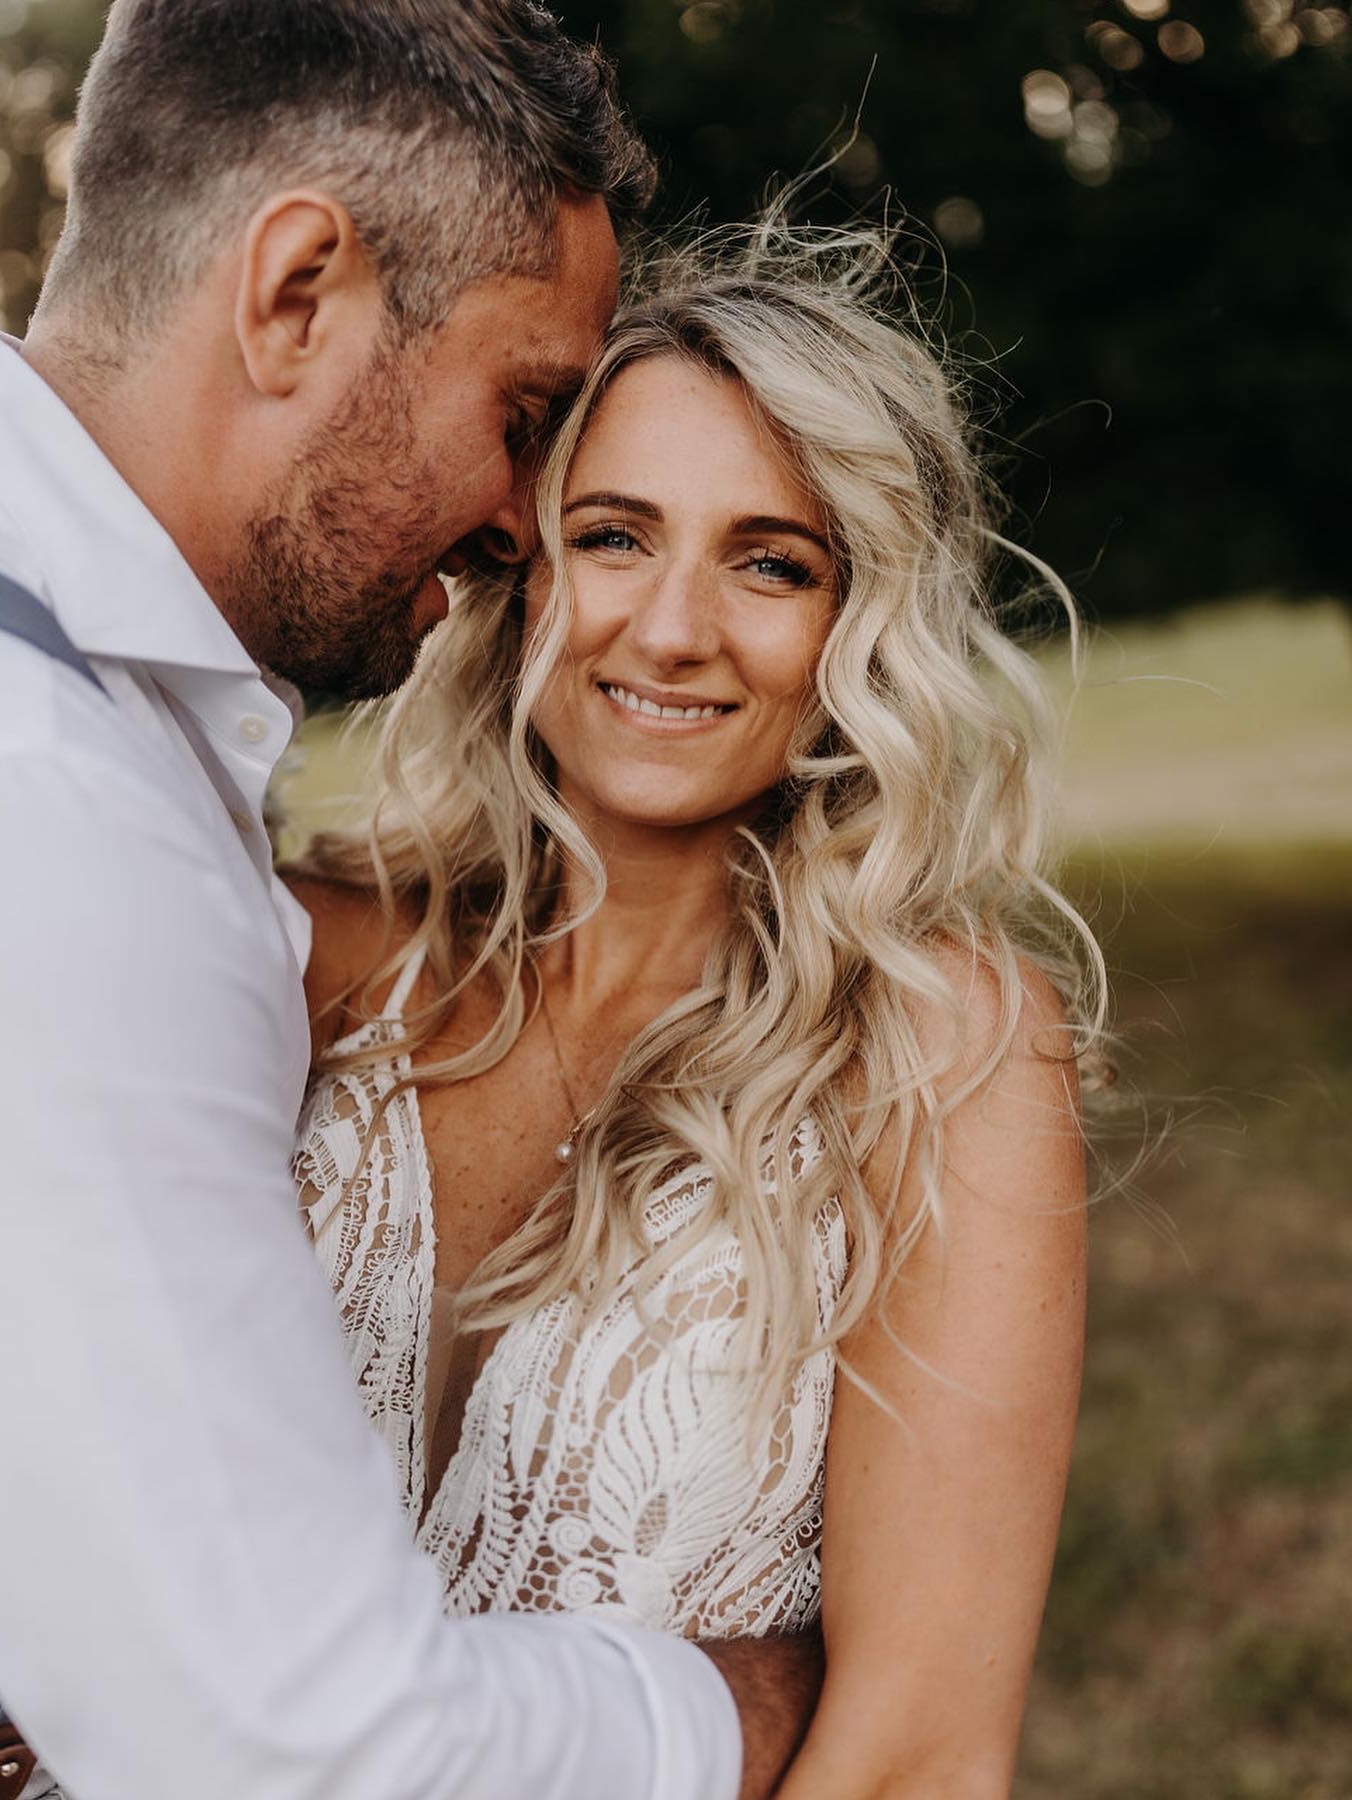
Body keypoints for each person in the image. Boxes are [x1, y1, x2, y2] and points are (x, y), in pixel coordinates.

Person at [0, 4, 813, 1797]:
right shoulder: (30, 802)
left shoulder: (31, 709)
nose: (518, 526)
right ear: (299, 288)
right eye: (524, 412)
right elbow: (283, 1743)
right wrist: (750, 1703)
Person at [290, 222, 1102, 1797]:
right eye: (614, 536)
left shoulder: (944, 1057)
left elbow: (918, 1754)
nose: (670, 630)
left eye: (770, 562)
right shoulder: (318, 959)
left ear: (860, 626)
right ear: (520, 571)